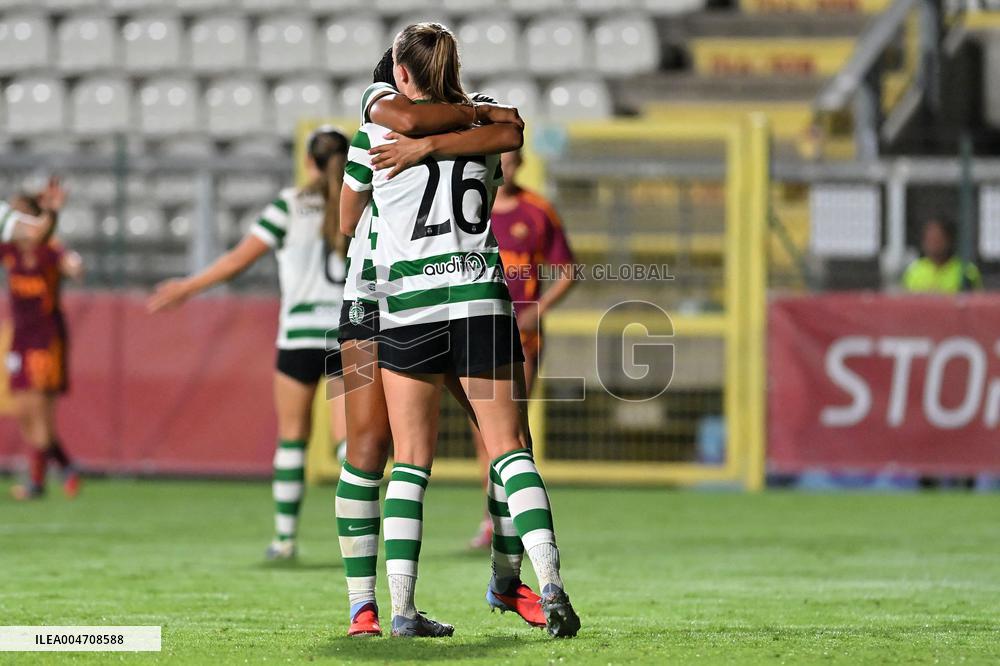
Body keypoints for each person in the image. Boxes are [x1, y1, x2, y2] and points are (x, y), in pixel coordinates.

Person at [341, 23, 580, 639]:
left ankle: (397, 606)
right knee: (510, 449)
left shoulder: (373, 129)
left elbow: (344, 221)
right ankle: (547, 581)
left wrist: (414, 155)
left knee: (398, 459)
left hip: (398, 307)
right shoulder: (482, 136)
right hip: (471, 299)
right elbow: (511, 129)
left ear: (398, 74)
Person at [148, 128, 350, 560]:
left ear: (309, 162)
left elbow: (239, 259)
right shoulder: (360, 204)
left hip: (297, 335)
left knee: (293, 437)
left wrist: (189, 286)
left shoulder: (289, 205)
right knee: (351, 443)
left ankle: (284, 539)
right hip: (347, 334)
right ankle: (361, 534)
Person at [467, 148, 577, 549]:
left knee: (510, 429)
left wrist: (538, 310)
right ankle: (493, 518)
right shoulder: (470, 205)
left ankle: (509, 520)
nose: (505, 166)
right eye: (500, 159)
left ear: (522, 162)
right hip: (474, 327)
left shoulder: (537, 210)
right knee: (482, 432)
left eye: (511, 159)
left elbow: (568, 270)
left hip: (520, 336)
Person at [4, 180, 85, 501]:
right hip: (20, 338)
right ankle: (67, 467)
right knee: (24, 412)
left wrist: (52, 215)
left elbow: (72, 265)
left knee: (40, 414)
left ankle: (37, 482)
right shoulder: (9, 250)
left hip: (46, 338)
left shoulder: (50, 250)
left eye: (22, 215)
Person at [902, 216, 981, 293]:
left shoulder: (967, 271)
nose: (933, 244)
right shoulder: (914, 271)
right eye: (929, 239)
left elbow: (977, 301)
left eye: (937, 239)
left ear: (948, 240)